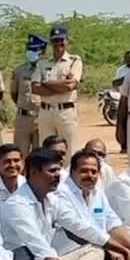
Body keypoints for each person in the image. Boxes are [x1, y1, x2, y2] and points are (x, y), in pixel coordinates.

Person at [1, 149, 130, 260]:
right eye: (51, 171)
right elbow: (42, 252)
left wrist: (125, 250)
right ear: (34, 172)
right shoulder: (17, 205)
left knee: (94, 251)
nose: (57, 175)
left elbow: (84, 228)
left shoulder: (51, 199)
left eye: (58, 170)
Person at [53, 149, 130, 260]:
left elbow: (113, 226)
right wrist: (116, 250)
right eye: (84, 171)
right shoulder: (61, 194)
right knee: (99, 253)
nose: (90, 175)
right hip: (65, 254)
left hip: (93, 248)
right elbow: (83, 232)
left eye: (94, 172)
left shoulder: (96, 192)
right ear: (72, 172)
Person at [31, 26, 83, 163]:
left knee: (70, 152)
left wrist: (46, 82)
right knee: (46, 152)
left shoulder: (74, 61)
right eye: (55, 41)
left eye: (61, 40)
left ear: (67, 41)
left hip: (66, 112)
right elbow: (35, 88)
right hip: (46, 112)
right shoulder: (42, 63)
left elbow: (70, 85)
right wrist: (60, 85)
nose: (58, 44)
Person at [11, 35, 47, 155]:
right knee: (20, 155)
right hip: (23, 119)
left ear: (43, 51)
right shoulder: (19, 71)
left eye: (35, 50)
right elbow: (14, 94)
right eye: (29, 49)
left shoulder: (49, 69)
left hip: (43, 117)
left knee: (41, 157)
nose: (31, 53)